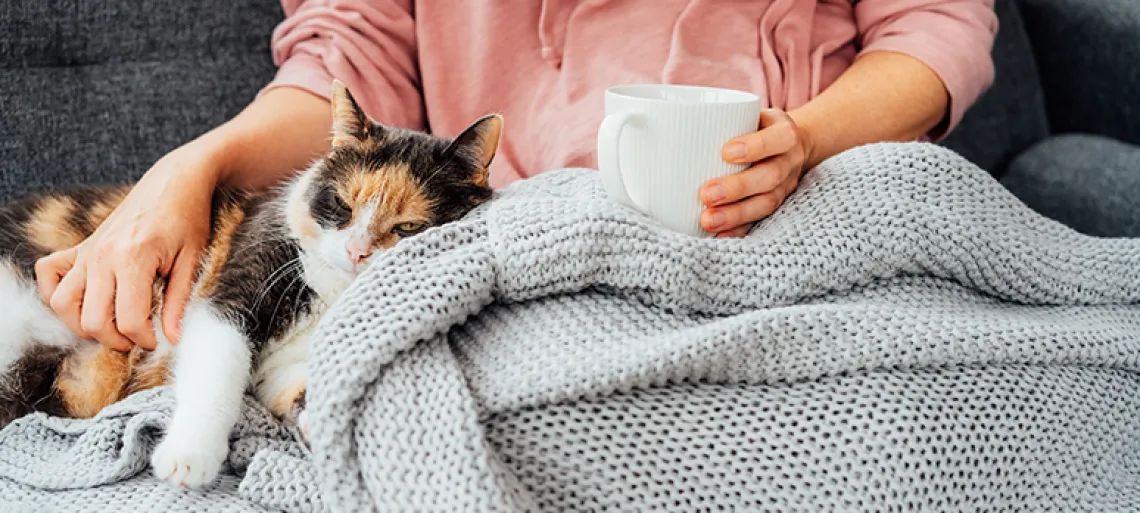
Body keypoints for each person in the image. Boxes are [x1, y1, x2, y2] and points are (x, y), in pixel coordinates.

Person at [34, 0, 998, 351]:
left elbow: (936, 30)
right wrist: (188, 167)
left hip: (807, 199)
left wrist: (807, 139)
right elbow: (344, 65)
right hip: (527, 249)